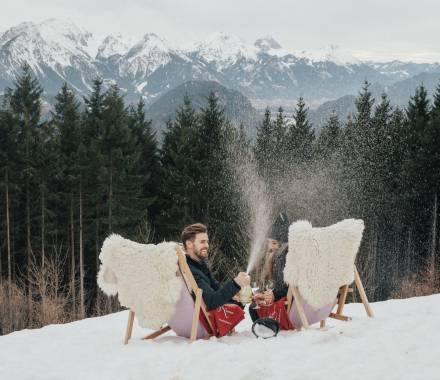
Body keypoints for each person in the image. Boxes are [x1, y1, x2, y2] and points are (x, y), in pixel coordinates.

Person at [181, 223, 250, 336]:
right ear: (189, 244)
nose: (207, 245)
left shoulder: (200, 265)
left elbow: (216, 286)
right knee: (237, 303)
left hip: (208, 305)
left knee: (240, 299)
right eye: (202, 242)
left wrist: (234, 291)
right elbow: (211, 301)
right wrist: (236, 283)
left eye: (207, 241)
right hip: (201, 316)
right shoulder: (191, 271)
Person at [249, 212, 293, 330]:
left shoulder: (284, 257)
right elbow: (280, 284)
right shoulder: (276, 258)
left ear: (282, 244)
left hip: (290, 302)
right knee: (254, 305)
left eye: (275, 243)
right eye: (271, 243)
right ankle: (265, 329)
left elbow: (290, 287)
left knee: (253, 308)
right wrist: (267, 294)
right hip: (284, 298)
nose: (272, 247)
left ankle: (265, 330)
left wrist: (273, 295)